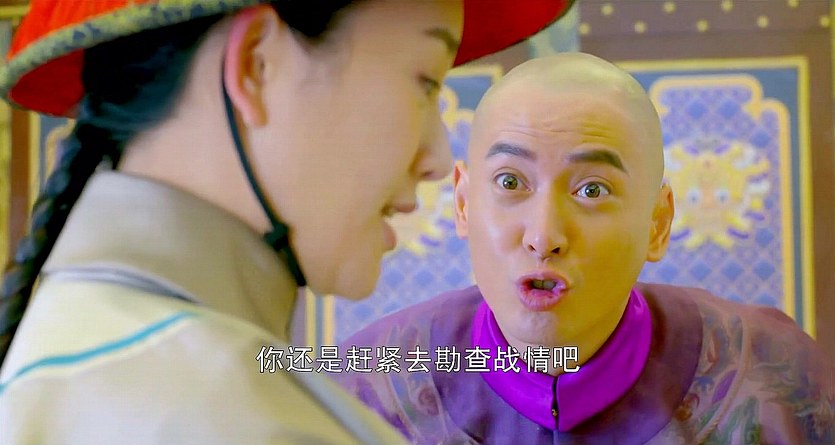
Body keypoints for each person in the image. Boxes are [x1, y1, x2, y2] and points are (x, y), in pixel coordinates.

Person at [0, 1, 574, 443]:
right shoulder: (223, 417)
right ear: (257, 65)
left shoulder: (89, 353)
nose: (436, 158)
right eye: (424, 81)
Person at [333, 53, 835, 445]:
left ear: (657, 223)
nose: (544, 236)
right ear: (464, 205)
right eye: (510, 182)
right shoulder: (366, 389)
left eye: (592, 190)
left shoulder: (774, 376)